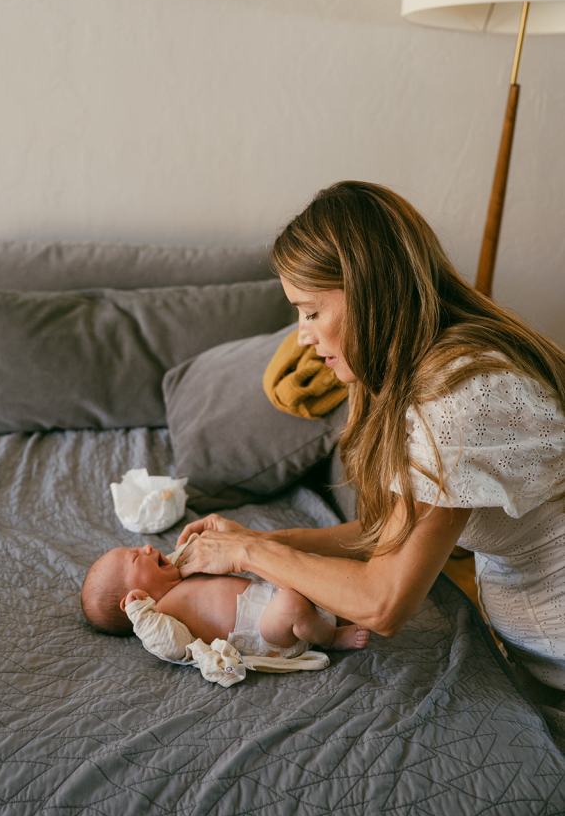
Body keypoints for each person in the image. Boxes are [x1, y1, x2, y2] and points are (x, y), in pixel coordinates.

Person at [175, 180, 565, 702]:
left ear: (367, 293)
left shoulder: (458, 400)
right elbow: (391, 533)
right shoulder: (429, 371)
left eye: (311, 311)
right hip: (533, 653)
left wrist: (248, 552)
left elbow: (384, 603)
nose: (303, 337)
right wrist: (266, 544)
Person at [80, 542, 370, 656]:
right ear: (132, 597)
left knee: (307, 569)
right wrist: (140, 613)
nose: (145, 547)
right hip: (260, 631)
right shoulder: (159, 616)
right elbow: (172, 646)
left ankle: (341, 609)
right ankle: (331, 638)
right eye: (135, 557)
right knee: (292, 606)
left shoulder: (178, 574)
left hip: (267, 595)